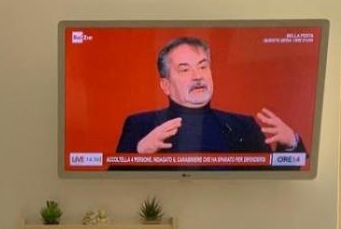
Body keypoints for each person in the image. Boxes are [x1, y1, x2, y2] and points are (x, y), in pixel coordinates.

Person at [115, 36, 304, 157]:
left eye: (203, 67)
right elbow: (117, 181)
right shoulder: (140, 125)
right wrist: (139, 151)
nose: (198, 76)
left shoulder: (244, 126)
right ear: (166, 85)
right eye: (185, 69)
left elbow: (268, 181)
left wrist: (291, 144)